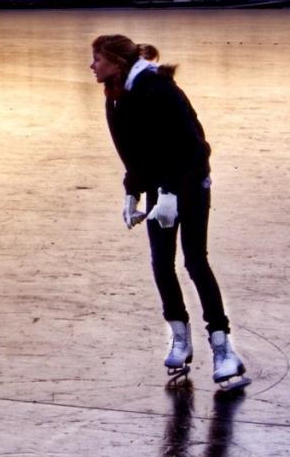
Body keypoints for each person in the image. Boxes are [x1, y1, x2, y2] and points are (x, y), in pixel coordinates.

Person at [90, 34, 249, 391]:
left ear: (116, 61)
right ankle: (180, 336)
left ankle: (223, 348)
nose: (92, 66)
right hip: (158, 187)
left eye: (97, 59)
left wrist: (172, 194)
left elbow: (196, 148)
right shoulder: (115, 97)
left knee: (194, 261)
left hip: (190, 183)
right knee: (161, 263)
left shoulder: (158, 89)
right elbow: (134, 152)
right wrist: (132, 192)